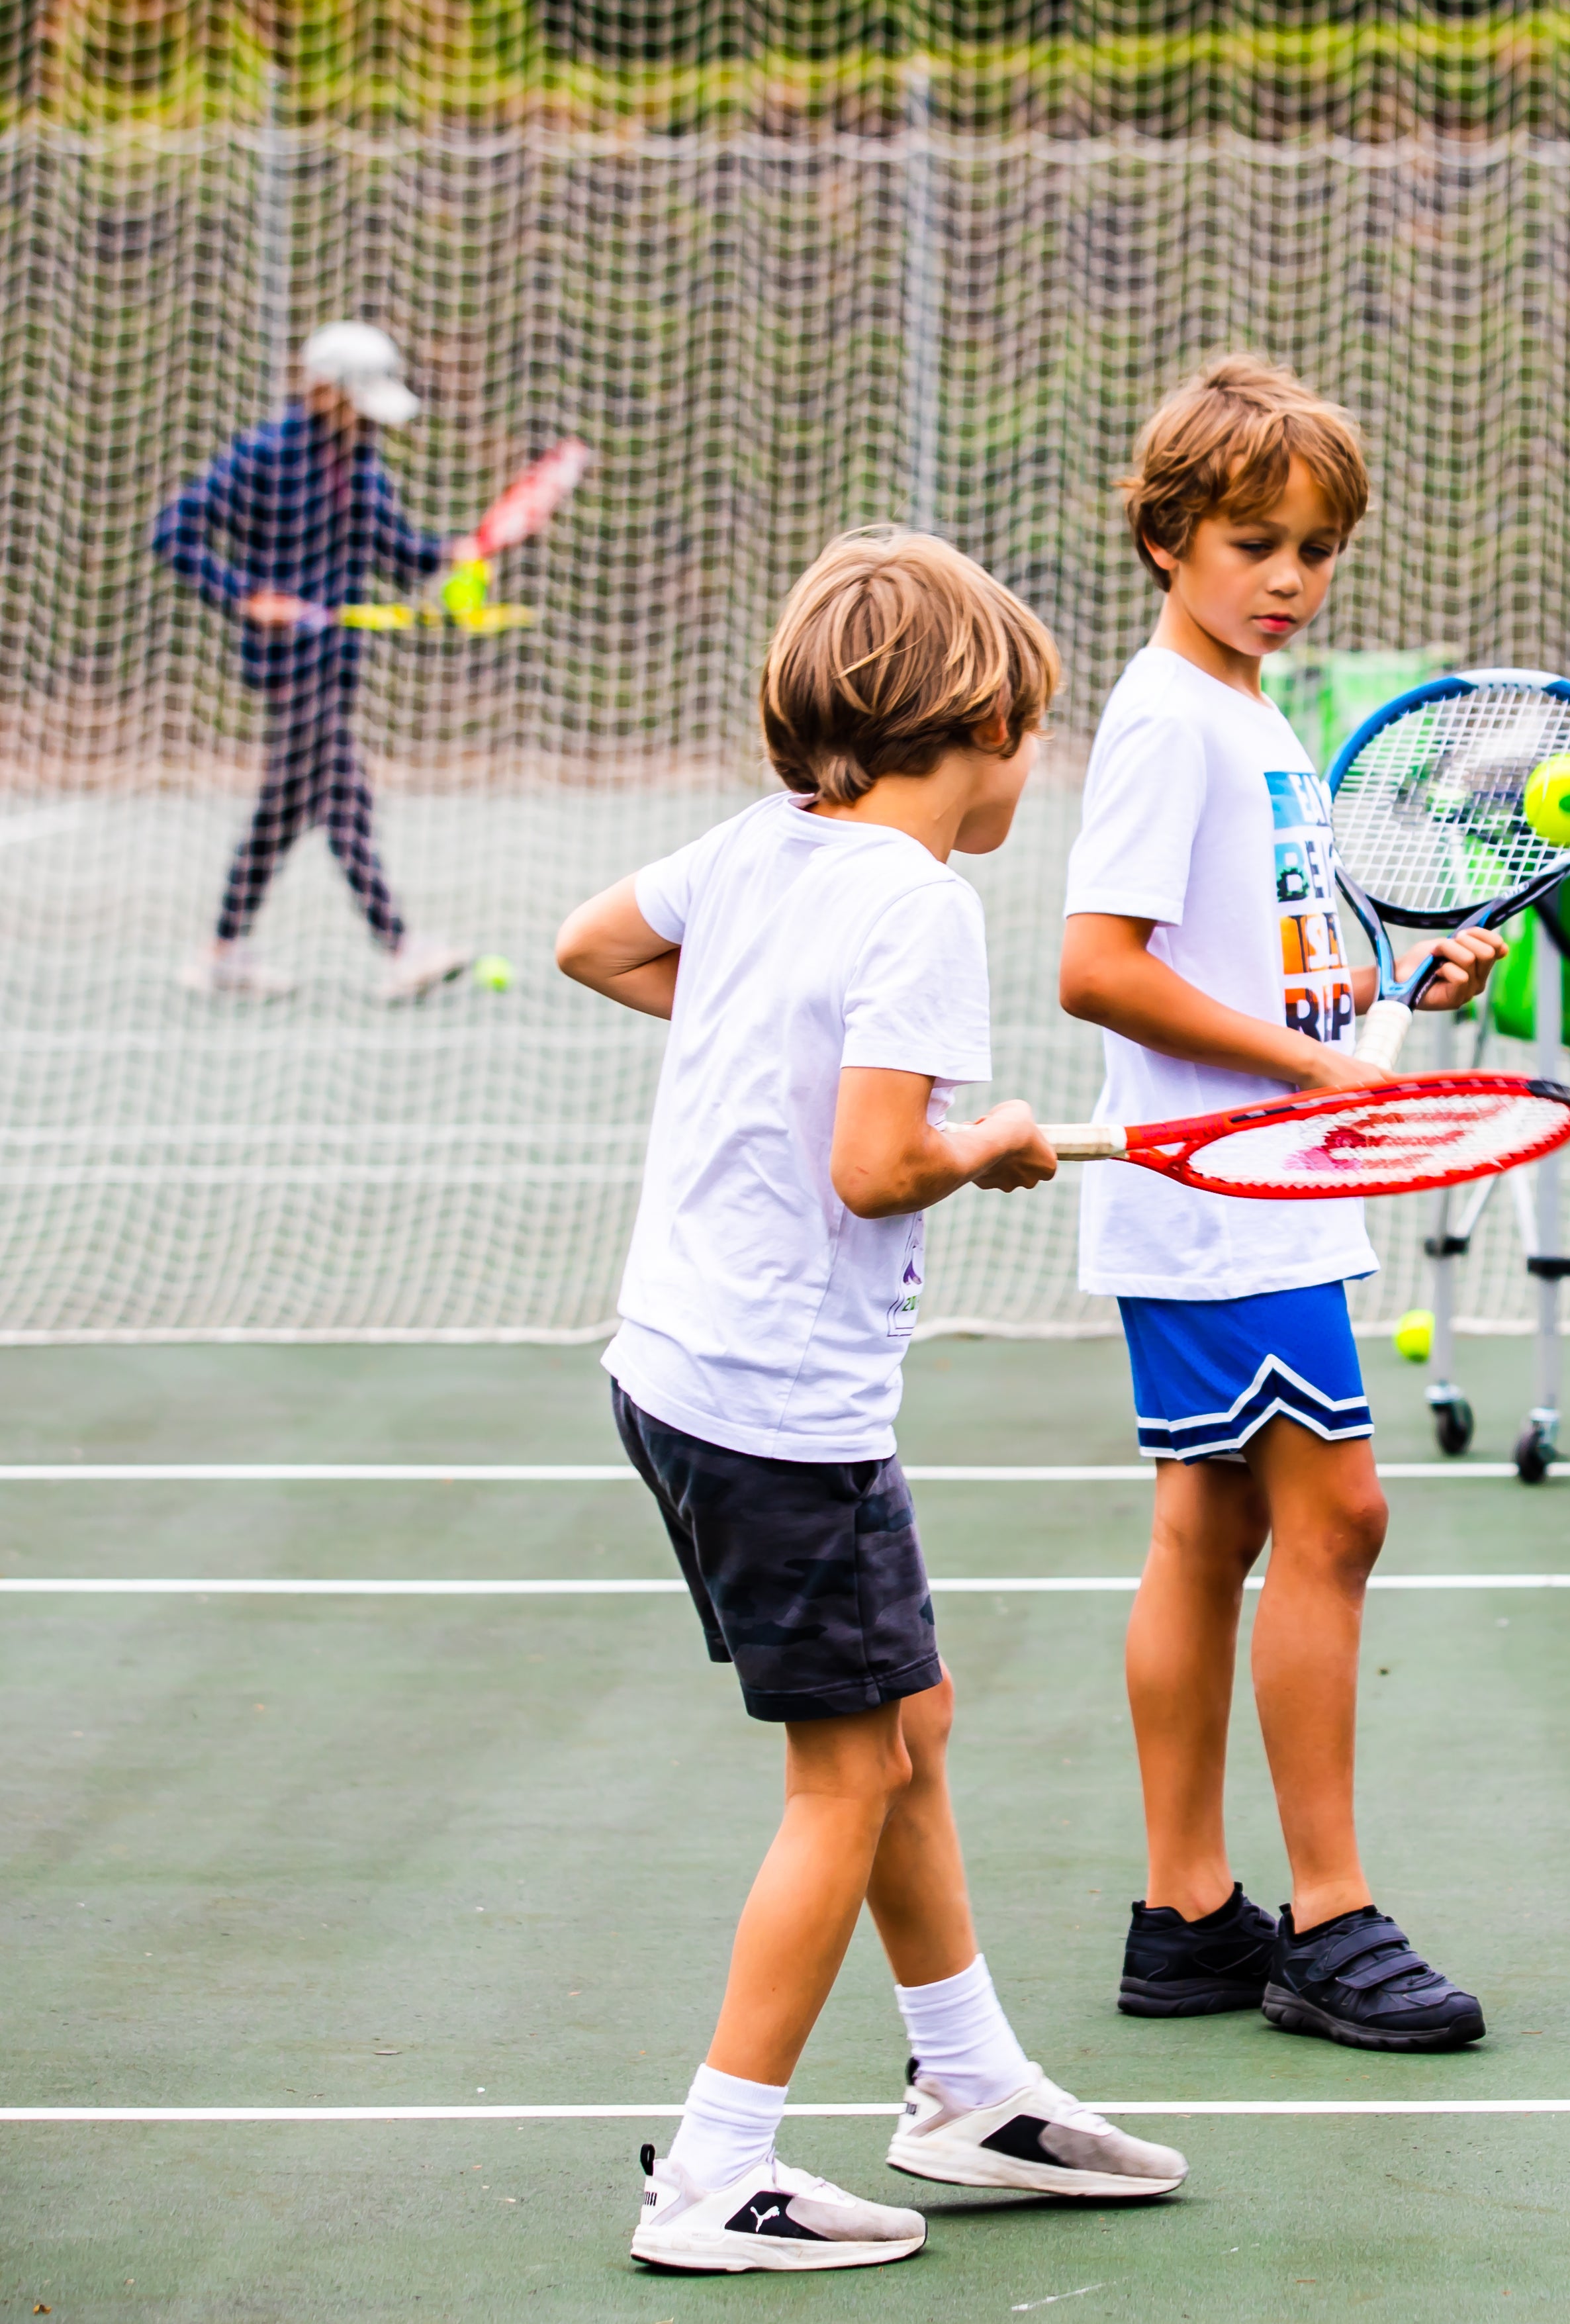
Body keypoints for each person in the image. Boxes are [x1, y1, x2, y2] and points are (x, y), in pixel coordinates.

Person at [557, 530, 1191, 2272]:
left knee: (912, 1720)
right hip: (778, 1405)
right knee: (845, 1776)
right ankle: (716, 2172)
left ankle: (968, 2087)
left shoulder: (766, 849)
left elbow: (590, 942)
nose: (1029, 770)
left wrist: (763, 1027)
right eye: (1025, 739)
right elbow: (873, 1166)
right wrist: (975, 1149)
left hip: (676, 1370)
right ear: (972, 729)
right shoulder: (919, 904)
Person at [1058, 359, 1506, 2045]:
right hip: (1217, 1191)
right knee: (1338, 1520)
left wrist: (1401, 998)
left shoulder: (1255, 720)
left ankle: (1186, 1916)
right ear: (1168, 533)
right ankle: (1326, 1917)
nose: (1287, 578)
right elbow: (1094, 969)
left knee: (1216, 1527)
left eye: (1315, 549)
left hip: (1271, 1180)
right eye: (1254, 540)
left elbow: (1279, 975)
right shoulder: (1166, 717)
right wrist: (1303, 1073)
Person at [152, 319, 476, 1001]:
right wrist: (246, 596)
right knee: (342, 799)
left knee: (284, 809)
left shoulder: (359, 462)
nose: (368, 415)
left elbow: (395, 552)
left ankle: (221, 953)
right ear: (323, 390)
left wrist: (452, 555)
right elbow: (174, 531)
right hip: (285, 662)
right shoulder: (265, 455)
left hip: (336, 659)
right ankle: (401, 946)